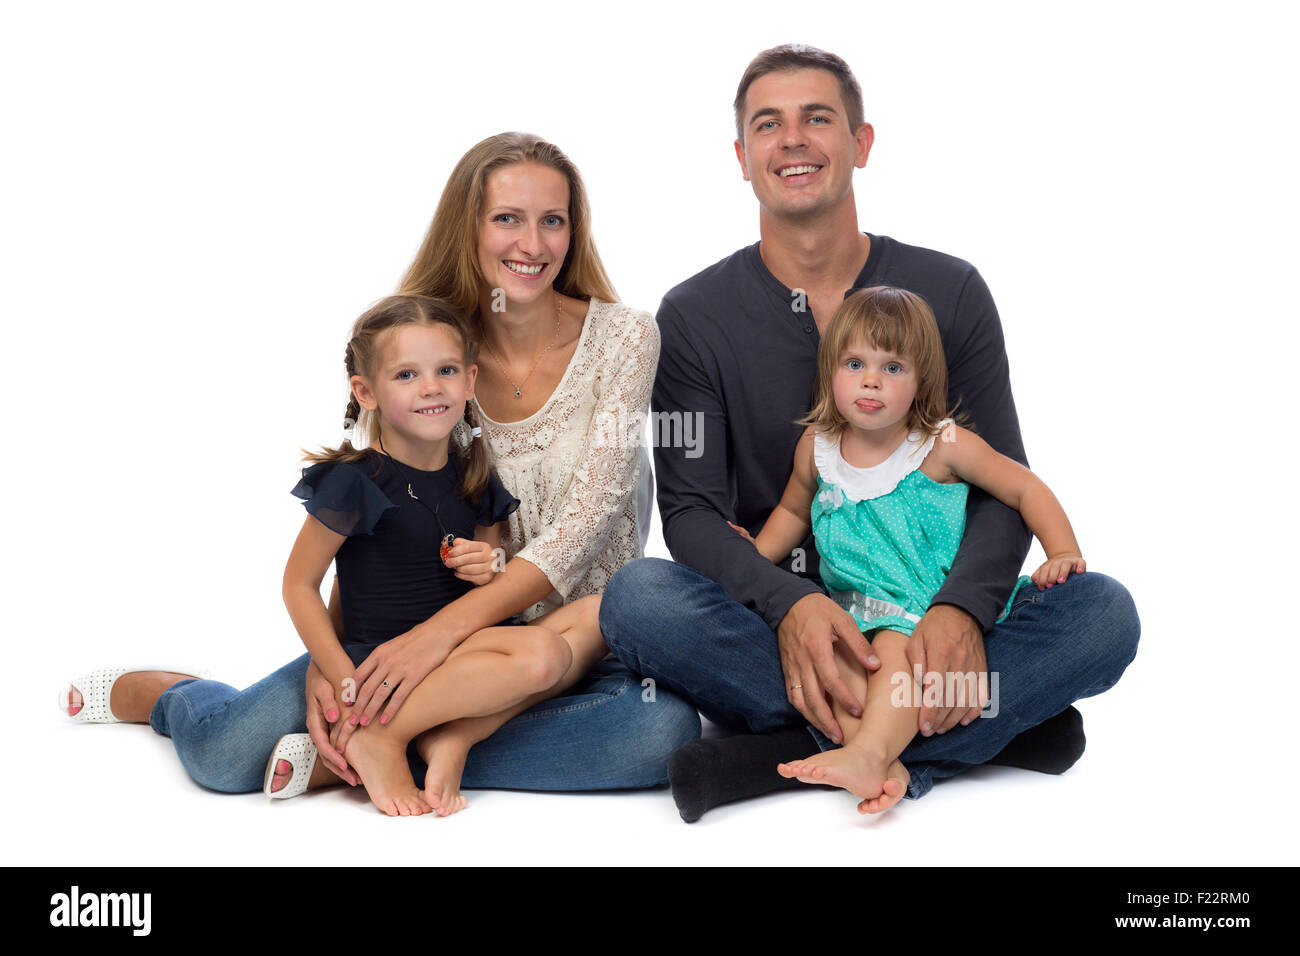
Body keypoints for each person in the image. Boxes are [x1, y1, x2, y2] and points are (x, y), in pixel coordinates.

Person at [62, 133, 700, 800]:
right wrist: (329, 662)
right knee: (226, 758)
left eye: (553, 220)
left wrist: (435, 638)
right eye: (507, 218)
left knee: (658, 733)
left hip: (575, 646)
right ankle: (172, 696)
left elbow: (588, 524)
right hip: (427, 637)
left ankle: (390, 744)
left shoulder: (625, 337)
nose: (532, 245)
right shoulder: (430, 347)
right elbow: (387, 502)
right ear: (470, 226)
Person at [598, 45, 1140, 821]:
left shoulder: (951, 290)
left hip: (927, 614)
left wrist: (961, 612)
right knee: (638, 597)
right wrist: (790, 603)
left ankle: (775, 757)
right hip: (774, 627)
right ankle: (986, 734)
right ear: (742, 158)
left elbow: (1004, 486)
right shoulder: (692, 315)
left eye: (817, 118)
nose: (792, 140)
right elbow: (688, 515)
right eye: (768, 125)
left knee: (1104, 614)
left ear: (861, 142)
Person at [733, 286, 1086, 814]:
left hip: (923, 612)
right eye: (855, 363)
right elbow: (790, 514)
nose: (871, 379)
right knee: (842, 674)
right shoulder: (818, 448)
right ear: (831, 371)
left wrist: (1061, 549)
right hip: (852, 611)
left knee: (896, 654)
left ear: (921, 382)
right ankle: (880, 759)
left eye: (893, 367)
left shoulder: (940, 443)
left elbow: (1023, 488)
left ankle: (872, 751)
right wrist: (754, 557)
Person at [278, 294, 608, 816]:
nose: (431, 387)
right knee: (543, 656)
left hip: (460, 656)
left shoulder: (473, 475)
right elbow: (299, 585)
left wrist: (489, 564)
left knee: (597, 614)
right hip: (385, 665)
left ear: (470, 381)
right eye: (406, 375)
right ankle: (381, 735)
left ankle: (452, 737)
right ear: (365, 392)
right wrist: (339, 674)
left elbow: (494, 577)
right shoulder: (352, 482)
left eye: (446, 370)